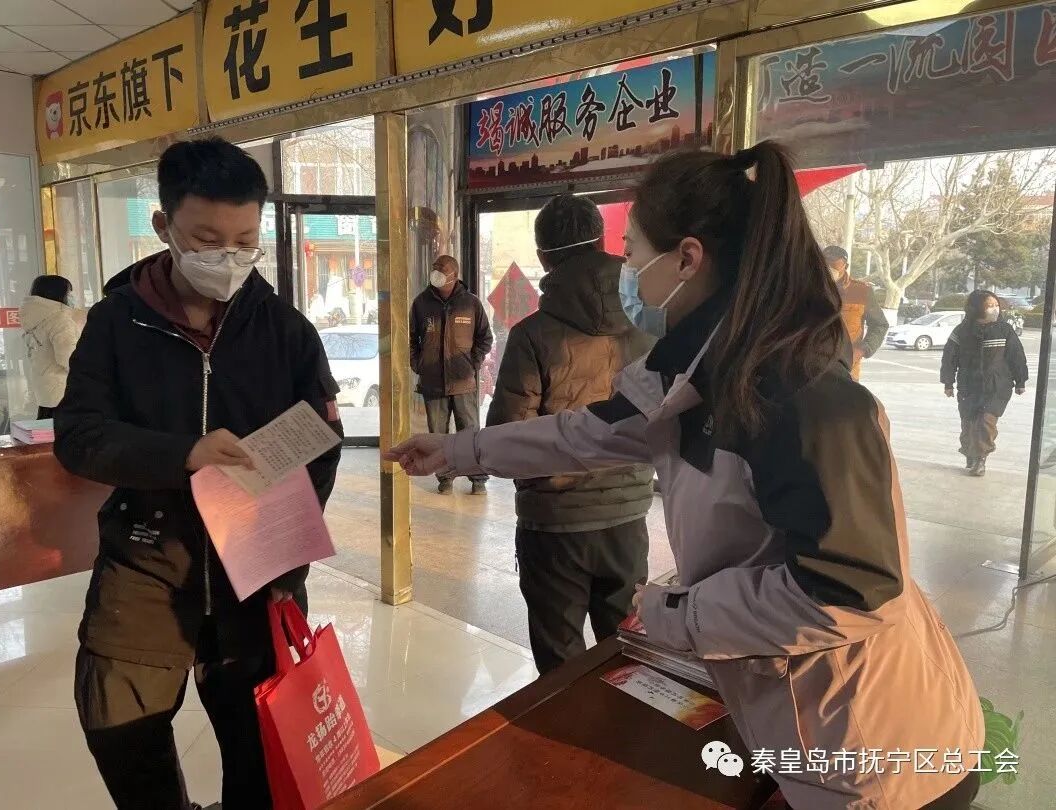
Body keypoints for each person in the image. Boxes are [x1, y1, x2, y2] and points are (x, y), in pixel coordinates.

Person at [387, 142, 982, 809]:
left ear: (687, 258)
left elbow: (848, 592)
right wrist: (458, 449)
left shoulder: (802, 397)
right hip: (807, 731)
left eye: (633, 253)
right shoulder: (695, 369)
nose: (628, 273)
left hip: (877, 756)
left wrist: (675, 612)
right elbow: (586, 433)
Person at [54, 138, 343, 810]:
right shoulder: (115, 324)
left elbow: (321, 446)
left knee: (262, 761)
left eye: (245, 242)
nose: (228, 258)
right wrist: (183, 453)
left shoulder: (287, 331)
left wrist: (286, 551)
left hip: (257, 580)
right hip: (144, 574)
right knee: (124, 742)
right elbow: (79, 436)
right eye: (208, 241)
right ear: (165, 226)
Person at [487, 194, 655, 674]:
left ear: (544, 258)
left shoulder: (531, 335)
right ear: (603, 243)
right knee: (627, 656)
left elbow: (505, 442)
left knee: (560, 668)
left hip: (553, 526)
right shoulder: (648, 324)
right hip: (627, 520)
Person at [409, 254, 492, 494]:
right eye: (434, 268)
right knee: (438, 435)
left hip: (463, 383)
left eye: (442, 270)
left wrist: (472, 364)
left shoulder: (471, 304)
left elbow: (485, 338)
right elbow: (409, 339)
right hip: (433, 383)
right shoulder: (421, 303)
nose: (436, 273)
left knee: (470, 434)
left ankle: (477, 480)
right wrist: (419, 364)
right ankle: (444, 478)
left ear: (454, 275)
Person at [941, 290, 1028, 477]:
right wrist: (948, 382)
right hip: (969, 386)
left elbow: (1017, 356)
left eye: (996, 305)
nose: (994, 309)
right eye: (989, 306)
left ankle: (981, 458)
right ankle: (970, 451)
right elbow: (949, 358)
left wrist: (1021, 380)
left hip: (997, 386)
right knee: (969, 423)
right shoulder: (961, 331)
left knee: (986, 422)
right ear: (976, 308)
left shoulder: (1005, 330)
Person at [20, 274, 80, 419]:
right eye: (69, 293)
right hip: (64, 392)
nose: (71, 297)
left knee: (45, 429)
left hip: (45, 392)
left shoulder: (34, 318)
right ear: (58, 294)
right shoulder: (60, 319)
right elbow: (70, 359)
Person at [824, 244, 888, 380]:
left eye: (834, 266)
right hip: (813, 368)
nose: (829, 270)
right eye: (825, 264)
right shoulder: (807, 290)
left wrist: (862, 350)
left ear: (845, 266)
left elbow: (880, 325)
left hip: (847, 371)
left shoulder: (861, 291)